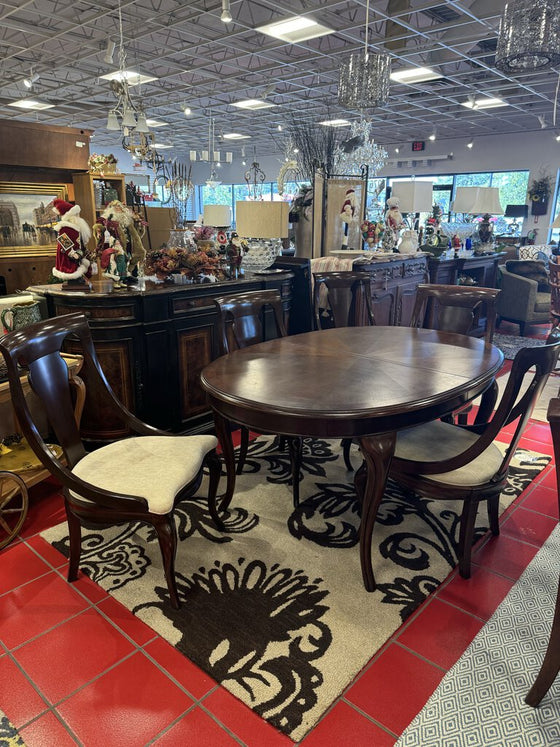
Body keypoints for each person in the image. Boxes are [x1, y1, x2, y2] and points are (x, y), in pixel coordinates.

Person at [93, 200, 146, 278]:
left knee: (137, 255)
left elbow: (137, 234)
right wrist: (98, 229)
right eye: (116, 206)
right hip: (117, 243)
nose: (118, 208)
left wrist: (139, 224)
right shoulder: (107, 219)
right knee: (120, 260)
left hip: (129, 243)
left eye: (119, 206)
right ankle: (121, 277)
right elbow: (99, 225)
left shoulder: (128, 219)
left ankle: (128, 272)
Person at [51, 199, 92, 282]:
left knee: (79, 267)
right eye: (76, 214)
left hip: (77, 253)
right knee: (71, 270)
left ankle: (78, 278)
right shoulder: (64, 228)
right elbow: (63, 242)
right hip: (69, 255)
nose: (78, 216)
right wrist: (72, 253)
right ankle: (74, 279)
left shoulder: (76, 227)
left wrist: (84, 250)